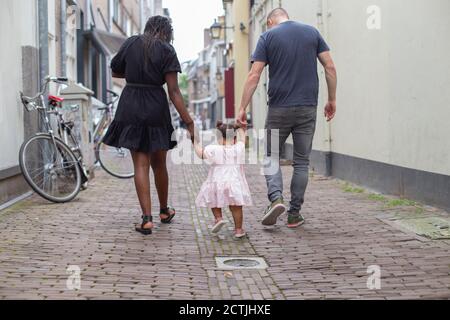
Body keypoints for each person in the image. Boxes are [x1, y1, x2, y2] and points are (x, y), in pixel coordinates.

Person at [237, 8, 338, 228]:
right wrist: (332, 99)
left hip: (278, 109)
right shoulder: (312, 32)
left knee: (271, 156)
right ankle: (294, 214)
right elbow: (329, 66)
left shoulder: (268, 36)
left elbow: (255, 75)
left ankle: (275, 199)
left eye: (267, 24)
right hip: (307, 108)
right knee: (301, 162)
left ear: (271, 20)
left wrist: (242, 107)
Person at [102, 16, 195, 235]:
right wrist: (188, 122)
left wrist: (135, 73)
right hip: (155, 105)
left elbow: (115, 70)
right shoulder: (167, 50)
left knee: (140, 165)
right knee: (159, 164)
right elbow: (173, 91)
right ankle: (164, 211)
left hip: (130, 103)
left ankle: (146, 219)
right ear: (166, 32)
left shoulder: (131, 42)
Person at [194, 121, 253, 238]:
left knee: (214, 200)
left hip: (217, 182)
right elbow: (242, 139)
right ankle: (238, 230)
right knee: (236, 207)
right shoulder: (239, 148)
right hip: (234, 183)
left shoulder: (213, 149)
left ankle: (218, 218)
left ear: (219, 138)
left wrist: (194, 142)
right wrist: (241, 127)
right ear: (234, 138)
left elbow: (200, 154)